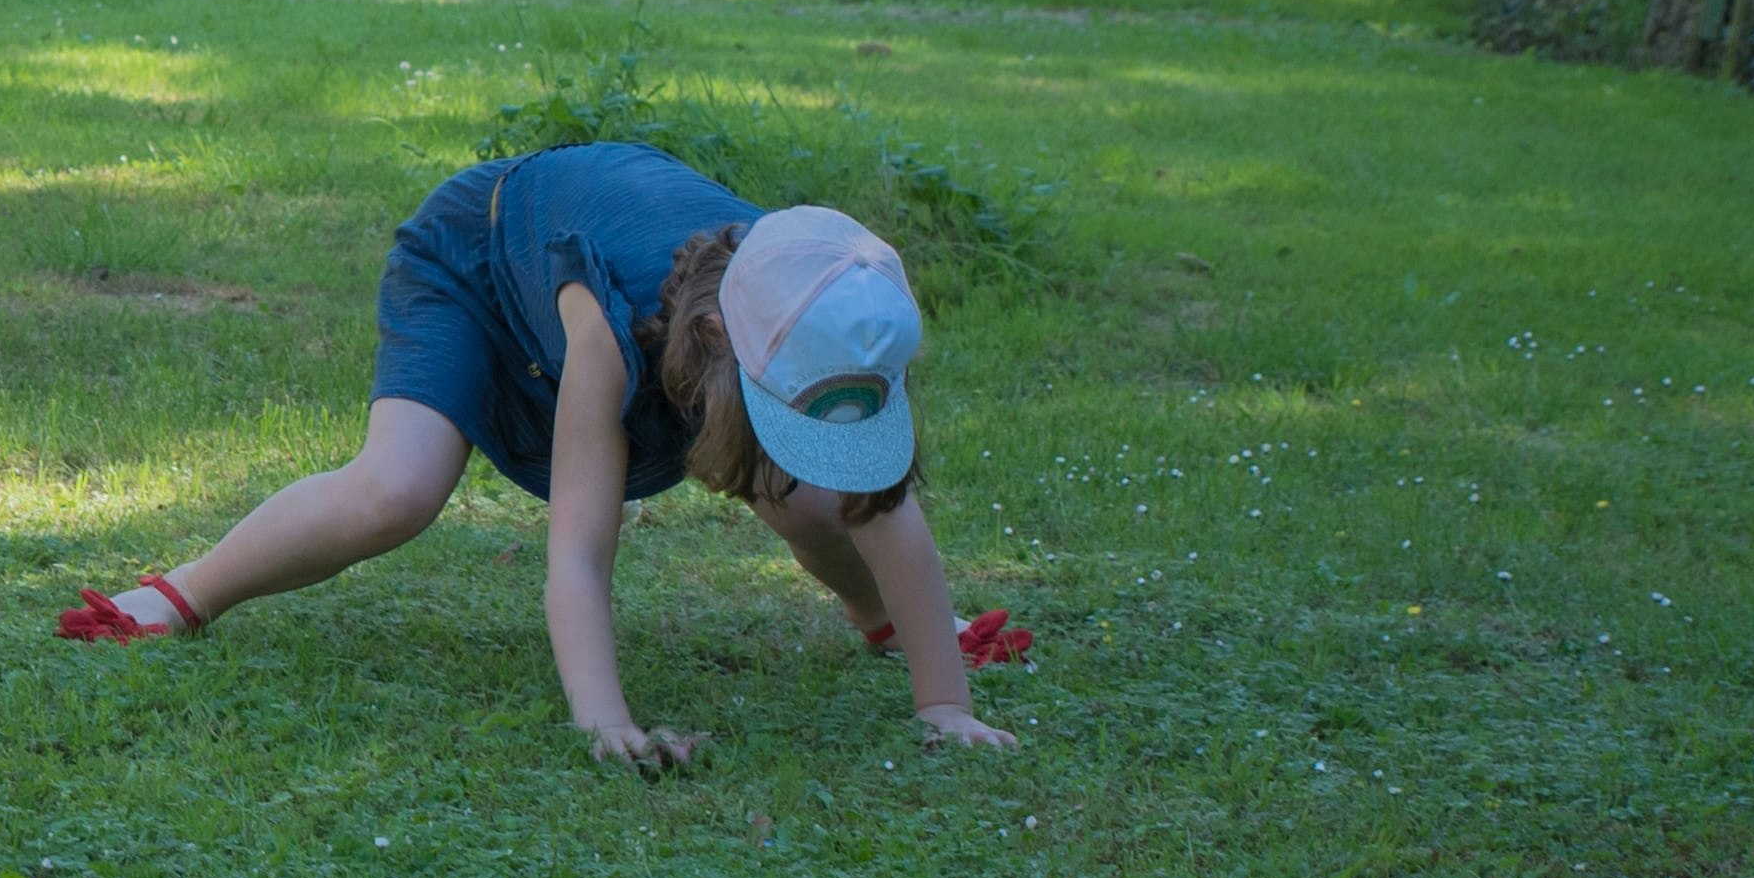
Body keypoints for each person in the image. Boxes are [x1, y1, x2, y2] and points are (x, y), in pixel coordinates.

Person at [51, 143, 1031, 766]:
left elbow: (880, 508)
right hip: (477, 260)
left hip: (655, 305)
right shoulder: (608, 326)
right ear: (723, 361)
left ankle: (886, 627)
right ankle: (182, 595)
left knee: (814, 500)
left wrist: (943, 703)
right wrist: (607, 724)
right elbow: (575, 554)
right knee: (394, 491)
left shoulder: (828, 307)